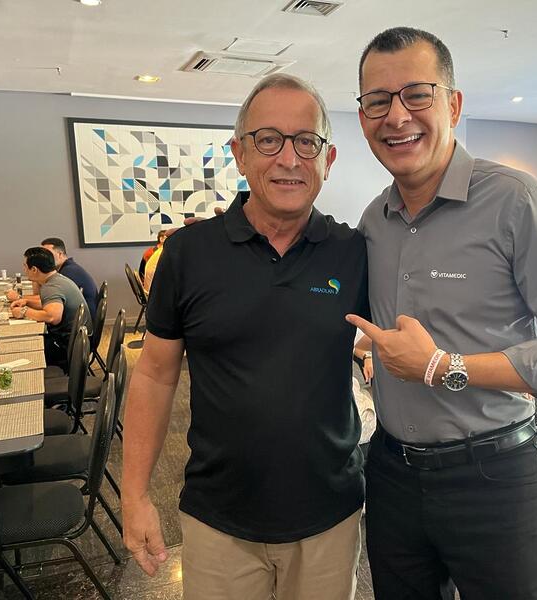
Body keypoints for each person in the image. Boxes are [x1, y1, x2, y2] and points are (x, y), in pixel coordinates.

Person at [347, 27, 537, 600]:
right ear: (363, 116)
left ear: (453, 104)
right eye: (378, 100)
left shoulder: (515, 200)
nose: (397, 116)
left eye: (417, 94)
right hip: (392, 474)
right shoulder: (373, 222)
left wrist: (445, 367)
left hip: (493, 476)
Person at [120, 73, 370, 600]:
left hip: (329, 514)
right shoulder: (187, 254)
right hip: (219, 518)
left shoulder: (354, 253)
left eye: (307, 142)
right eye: (268, 139)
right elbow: (155, 376)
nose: (289, 158)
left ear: (328, 159)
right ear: (239, 153)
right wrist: (135, 494)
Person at [9, 247, 91, 365]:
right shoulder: (57, 279)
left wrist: (24, 311)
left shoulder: (51, 287)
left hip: (68, 347)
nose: (24, 270)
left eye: (25, 266)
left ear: (34, 269)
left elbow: (53, 317)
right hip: (78, 342)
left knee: (23, 348)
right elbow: (50, 304)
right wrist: (27, 302)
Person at [7, 237, 99, 317]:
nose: (45, 256)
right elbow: (48, 300)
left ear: (60, 254)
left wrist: (23, 309)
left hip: (78, 328)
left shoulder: (66, 273)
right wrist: (27, 299)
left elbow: (53, 317)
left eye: (48, 253)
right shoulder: (55, 276)